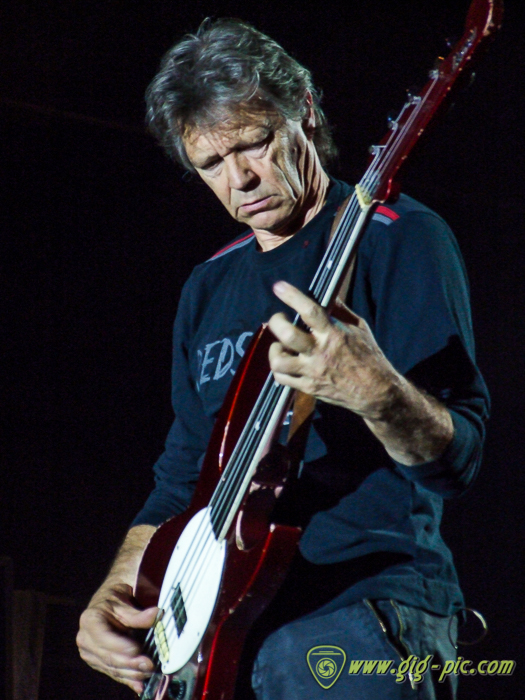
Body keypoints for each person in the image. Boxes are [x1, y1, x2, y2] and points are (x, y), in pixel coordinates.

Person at [76, 18, 489, 700]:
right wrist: (119, 587)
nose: (240, 178)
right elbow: (183, 474)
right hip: (219, 633)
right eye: (210, 164)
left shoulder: (398, 236)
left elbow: (459, 459)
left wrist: (374, 391)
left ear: (304, 111)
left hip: (357, 613)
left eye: (254, 143)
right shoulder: (208, 284)